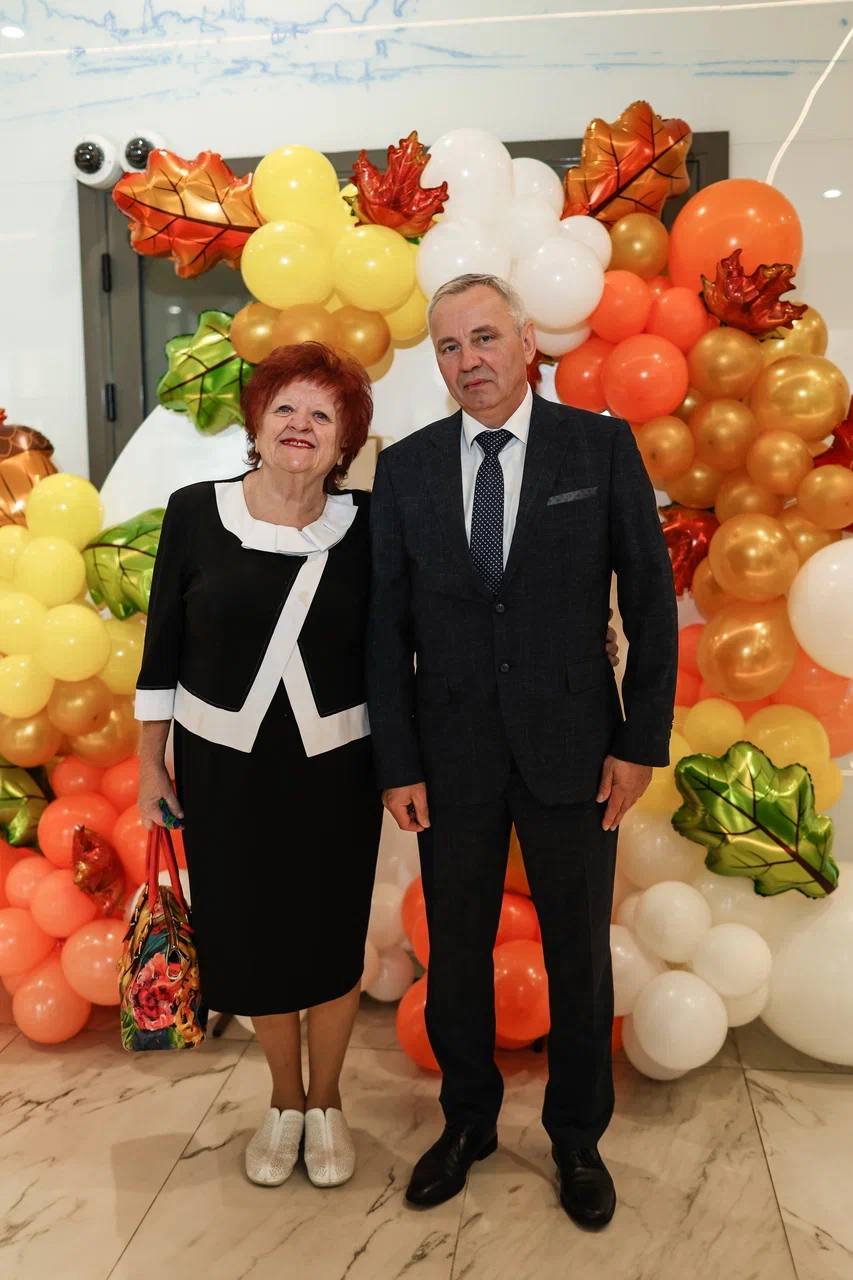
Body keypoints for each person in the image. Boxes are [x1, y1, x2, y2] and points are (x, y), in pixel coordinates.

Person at [367, 274, 678, 1228]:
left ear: (526, 340)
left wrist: (638, 742)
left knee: (578, 954)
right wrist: (397, 761)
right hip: (449, 756)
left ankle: (577, 1139)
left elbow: (651, 604)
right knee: (454, 953)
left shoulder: (598, 447)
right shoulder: (407, 468)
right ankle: (467, 1124)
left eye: (484, 338)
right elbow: (385, 627)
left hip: (576, 750)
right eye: (449, 346)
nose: (469, 360)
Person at [135, 342, 382, 1190]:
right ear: (256, 422)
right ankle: (283, 1101)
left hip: (338, 764)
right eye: (284, 408)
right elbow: (161, 648)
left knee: (331, 933)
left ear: (345, 438)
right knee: (252, 934)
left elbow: (410, 640)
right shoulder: (195, 512)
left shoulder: (369, 527)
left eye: (322, 412)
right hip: (223, 766)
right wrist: (150, 766)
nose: (300, 426)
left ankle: (328, 1102)